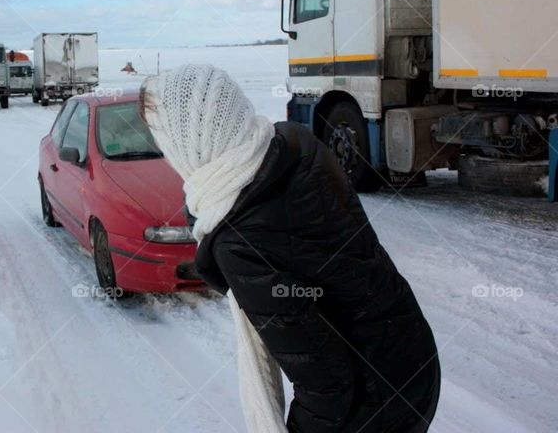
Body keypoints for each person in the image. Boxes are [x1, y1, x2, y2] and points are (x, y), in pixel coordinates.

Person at [139, 64, 440, 433]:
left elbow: (327, 386)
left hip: (378, 405)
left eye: (163, 141)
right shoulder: (293, 142)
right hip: (412, 350)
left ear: (189, 142)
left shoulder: (236, 242)